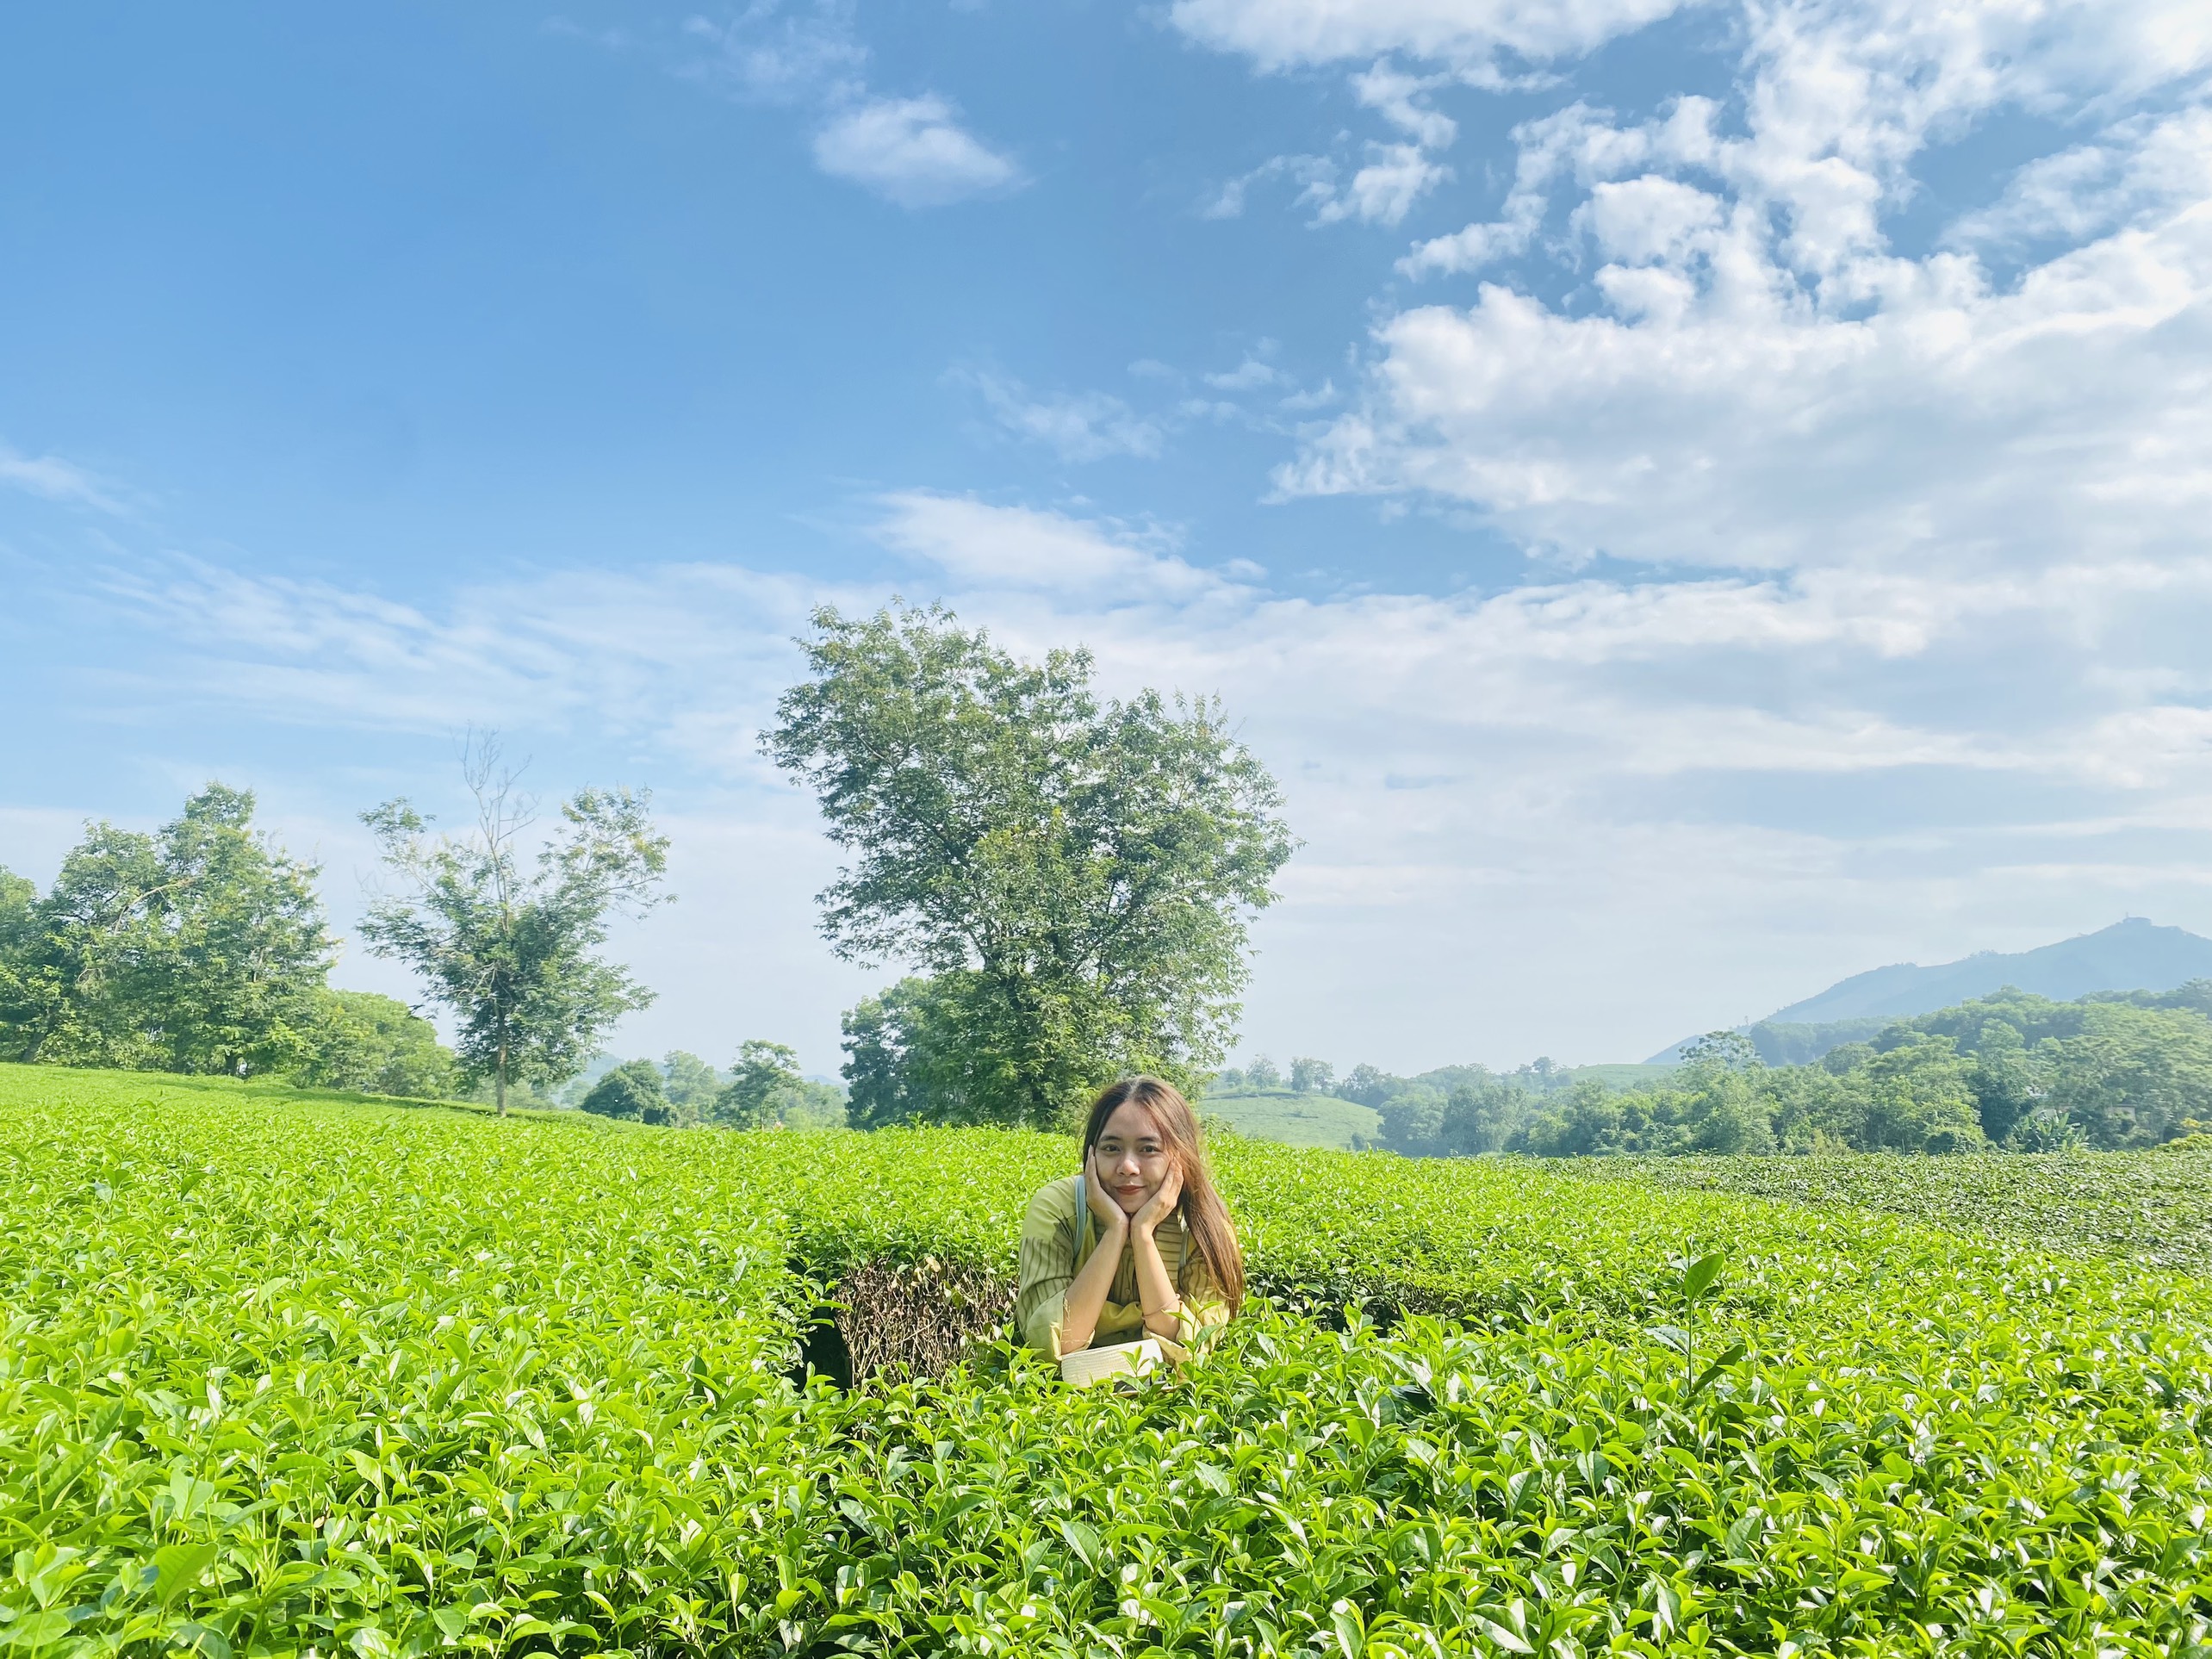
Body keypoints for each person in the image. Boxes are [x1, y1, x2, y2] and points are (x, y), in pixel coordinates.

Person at [1014, 1075, 1245, 1363]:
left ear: (1179, 1156)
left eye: (1148, 1149)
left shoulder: (1204, 1227)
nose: (1127, 1167)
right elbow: (1052, 1346)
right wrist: (1115, 1231)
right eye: (1111, 1148)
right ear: (1091, 1154)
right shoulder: (1058, 1209)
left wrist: (1143, 1234)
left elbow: (1187, 1353)